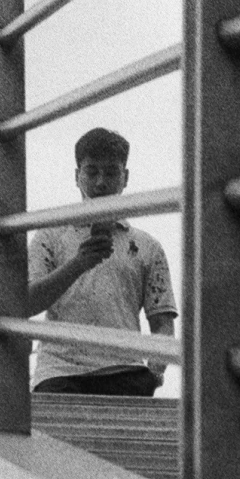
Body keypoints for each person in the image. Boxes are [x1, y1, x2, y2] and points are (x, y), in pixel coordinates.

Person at [26, 128, 177, 395]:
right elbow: (27, 302)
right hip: (61, 372)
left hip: (126, 371)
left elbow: (163, 324)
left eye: (111, 172)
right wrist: (79, 264)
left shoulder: (147, 247)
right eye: (91, 171)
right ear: (77, 176)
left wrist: (155, 370)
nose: (100, 183)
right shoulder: (50, 236)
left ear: (125, 177)